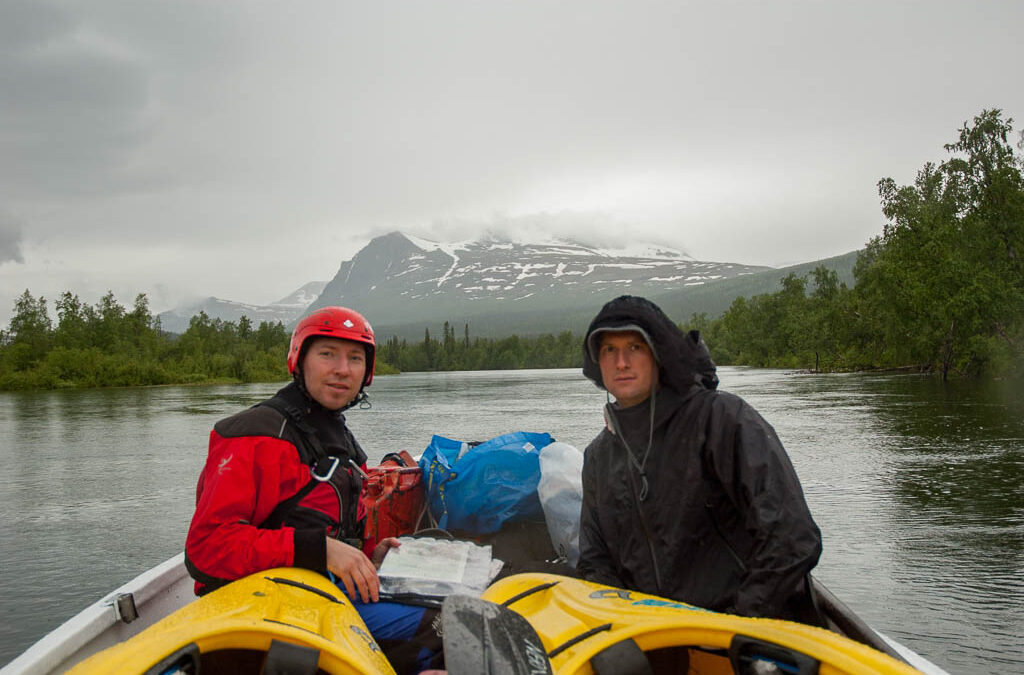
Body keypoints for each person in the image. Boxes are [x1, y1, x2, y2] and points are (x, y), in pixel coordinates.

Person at [185, 306, 443, 674]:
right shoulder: (255, 435)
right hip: (258, 611)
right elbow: (206, 549)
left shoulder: (338, 438)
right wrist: (319, 549)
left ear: (366, 373)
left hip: (314, 594)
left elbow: (322, 524)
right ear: (299, 360)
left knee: (450, 614)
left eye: (355, 358)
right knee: (441, 630)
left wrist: (371, 554)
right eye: (327, 354)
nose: (343, 369)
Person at [576, 295, 823, 625]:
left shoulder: (721, 420)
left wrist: (738, 622)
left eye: (635, 347)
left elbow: (793, 536)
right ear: (598, 361)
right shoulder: (598, 457)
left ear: (658, 354)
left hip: (749, 628)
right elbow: (595, 560)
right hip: (653, 634)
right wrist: (625, 625)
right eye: (609, 349)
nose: (621, 362)